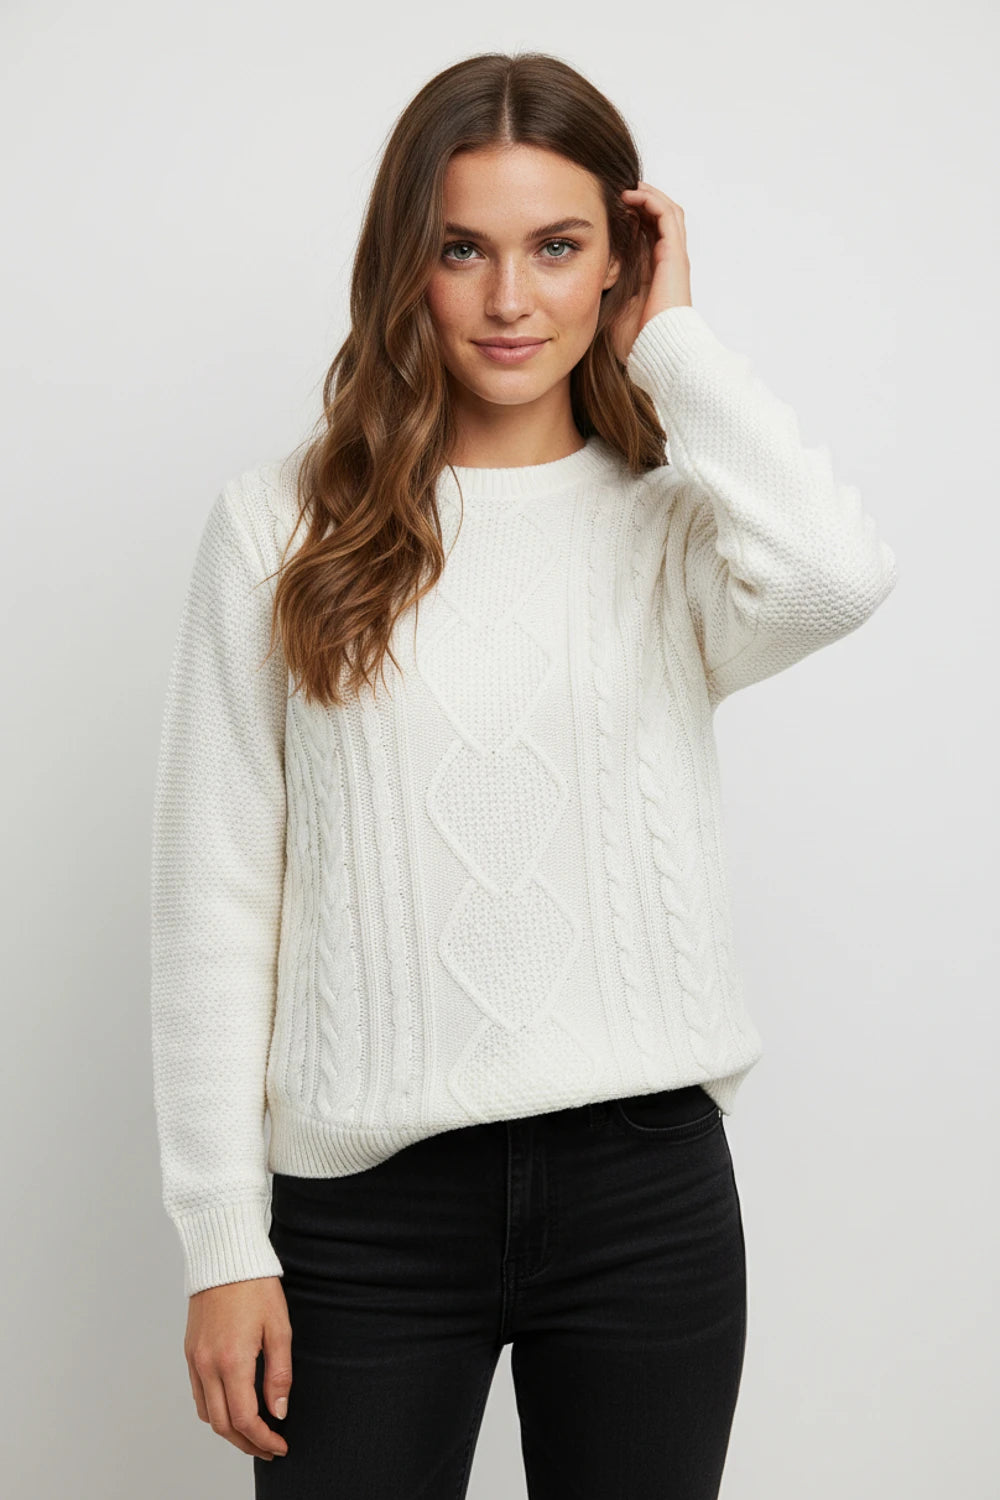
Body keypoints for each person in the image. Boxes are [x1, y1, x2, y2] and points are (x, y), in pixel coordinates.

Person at [150, 50, 898, 1500]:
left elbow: (836, 577)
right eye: (461, 250)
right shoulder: (278, 530)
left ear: (619, 261)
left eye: (557, 248)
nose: (508, 299)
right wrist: (222, 1240)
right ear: (405, 266)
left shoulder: (673, 530)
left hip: (643, 1197)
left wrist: (674, 346)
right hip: (366, 1215)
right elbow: (215, 900)